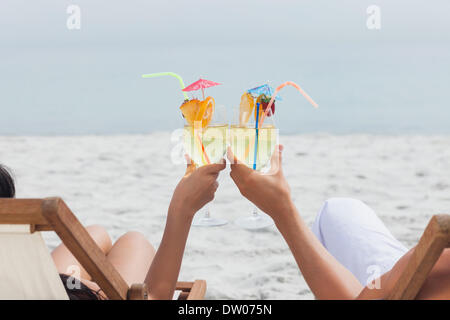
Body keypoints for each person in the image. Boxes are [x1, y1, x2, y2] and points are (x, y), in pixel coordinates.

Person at [227, 145, 450, 299]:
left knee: (333, 214)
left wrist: (282, 211)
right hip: (405, 275)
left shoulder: (439, 266)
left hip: (411, 279)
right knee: (342, 211)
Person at [0, 160, 225, 299]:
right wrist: (182, 209)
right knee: (134, 241)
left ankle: (86, 283)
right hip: (47, 291)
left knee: (95, 233)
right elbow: (154, 297)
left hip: (22, 283)